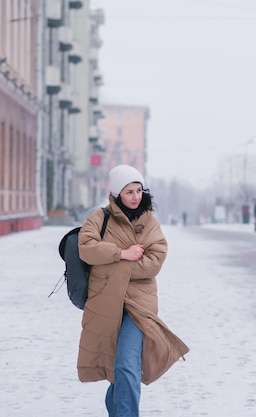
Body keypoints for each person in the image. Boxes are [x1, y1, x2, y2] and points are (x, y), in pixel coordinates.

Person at [77, 164, 189, 416]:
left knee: (127, 365)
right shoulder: (99, 218)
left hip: (139, 305)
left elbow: (154, 262)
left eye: (139, 190)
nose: (136, 196)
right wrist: (122, 254)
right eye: (129, 191)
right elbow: (86, 248)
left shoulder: (149, 221)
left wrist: (112, 266)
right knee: (116, 367)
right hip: (106, 303)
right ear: (117, 193)